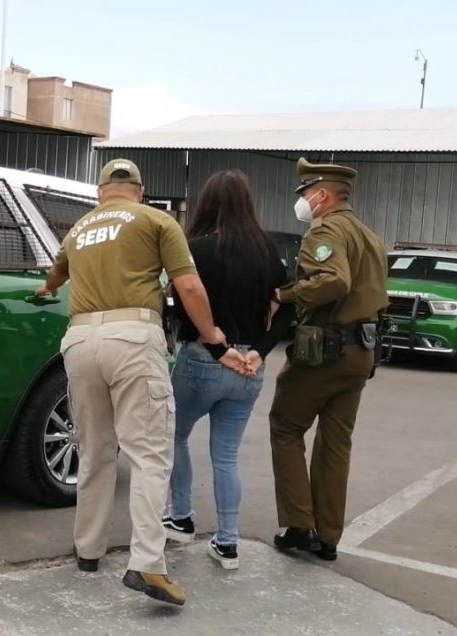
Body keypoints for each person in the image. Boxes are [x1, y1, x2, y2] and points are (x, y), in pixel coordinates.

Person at [35, 158, 227, 606]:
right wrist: (212, 334)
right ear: (139, 191)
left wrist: (45, 291)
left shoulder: (80, 228)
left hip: (80, 341)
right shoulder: (157, 220)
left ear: (101, 193)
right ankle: (147, 565)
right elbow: (189, 286)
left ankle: (88, 550)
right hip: (133, 337)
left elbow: (55, 277)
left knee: (95, 450)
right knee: (148, 453)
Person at [160, 170, 296, 570]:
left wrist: (216, 345)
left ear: (207, 203)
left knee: (175, 434)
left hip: (204, 357)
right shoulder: (267, 252)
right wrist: (259, 350)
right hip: (248, 368)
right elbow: (288, 306)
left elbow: (181, 302)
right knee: (226, 455)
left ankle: (181, 516)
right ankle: (228, 543)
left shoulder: (194, 249)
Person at [267, 157, 388, 561]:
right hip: (360, 349)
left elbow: (334, 280)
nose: (302, 201)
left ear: (320, 195)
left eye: (305, 193)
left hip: (326, 349)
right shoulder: (367, 234)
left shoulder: (327, 228)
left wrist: (283, 295)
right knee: (336, 443)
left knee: (285, 426)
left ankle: (299, 525)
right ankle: (329, 536)